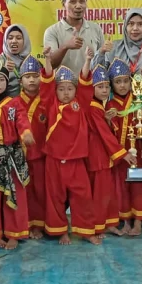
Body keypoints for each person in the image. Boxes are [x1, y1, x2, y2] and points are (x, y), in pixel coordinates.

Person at [39, 51, 99, 245]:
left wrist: (88, 60)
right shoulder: (50, 104)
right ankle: (60, 231)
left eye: (69, 89)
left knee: (83, 196)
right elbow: (47, 84)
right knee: (55, 197)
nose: (65, 92)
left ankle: (87, 230)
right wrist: (48, 60)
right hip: (54, 160)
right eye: (61, 89)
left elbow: (84, 83)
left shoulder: (80, 104)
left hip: (76, 161)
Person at [0, 57, 34, 250]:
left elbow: (22, 120)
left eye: (1, 79)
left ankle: (15, 233)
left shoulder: (15, 103)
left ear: (7, 81)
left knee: (16, 195)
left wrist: (26, 133)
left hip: (13, 156)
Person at [82, 58, 128, 238]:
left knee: (109, 192)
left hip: (105, 156)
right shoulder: (93, 107)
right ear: (92, 89)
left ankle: (109, 223)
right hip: (97, 156)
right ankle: (97, 226)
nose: (104, 90)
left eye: (106, 87)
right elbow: (104, 135)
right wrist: (122, 153)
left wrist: (109, 120)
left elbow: (107, 129)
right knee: (99, 194)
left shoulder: (103, 107)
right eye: (99, 87)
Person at [107, 58, 142, 236]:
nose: (123, 86)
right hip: (120, 155)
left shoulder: (139, 102)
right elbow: (107, 134)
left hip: (138, 153)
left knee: (139, 186)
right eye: (118, 82)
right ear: (111, 84)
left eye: (125, 81)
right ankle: (125, 221)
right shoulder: (109, 106)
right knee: (121, 188)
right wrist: (107, 120)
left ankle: (138, 222)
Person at [17, 55, 48, 240]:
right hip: (22, 156)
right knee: (25, 192)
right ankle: (25, 224)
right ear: (20, 80)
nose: (31, 80)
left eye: (35, 75)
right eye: (27, 76)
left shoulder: (46, 99)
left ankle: (39, 224)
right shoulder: (15, 102)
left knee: (41, 191)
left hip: (42, 154)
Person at [42, 0, 105, 74]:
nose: (78, 6)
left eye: (82, 1)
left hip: (90, 86)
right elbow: (51, 64)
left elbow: (102, 61)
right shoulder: (52, 31)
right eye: (73, 1)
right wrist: (65, 46)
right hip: (64, 87)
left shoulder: (96, 28)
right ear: (64, 4)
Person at [91, 8, 142, 81]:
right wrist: (101, 52)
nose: (135, 28)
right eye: (131, 24)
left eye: (140, 24)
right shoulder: (114, 47)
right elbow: (97, 74)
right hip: (117, 92)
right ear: (125, 26)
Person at [2, 24, 32, 96]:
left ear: (25, 41)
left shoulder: (32, 62)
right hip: (6, 105)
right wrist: (3, 71)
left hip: (29, 105)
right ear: (6, 41)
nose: (14, 41)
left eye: (18, 38)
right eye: (10, 38)